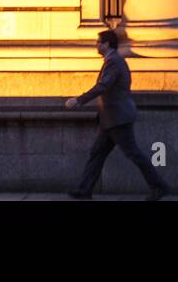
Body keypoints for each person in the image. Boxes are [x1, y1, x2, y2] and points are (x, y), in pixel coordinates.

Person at [64, 30, 171, 201]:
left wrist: (79, 100)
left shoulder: (113, 62)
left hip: (117, 118)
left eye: (98, 42)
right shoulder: (114, 60)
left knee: (133, 154)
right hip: (111, 119)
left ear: (107, 44)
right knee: (97, 153)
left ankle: (159, 186)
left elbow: (103, 86)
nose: (96, 45)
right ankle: (84, 190)